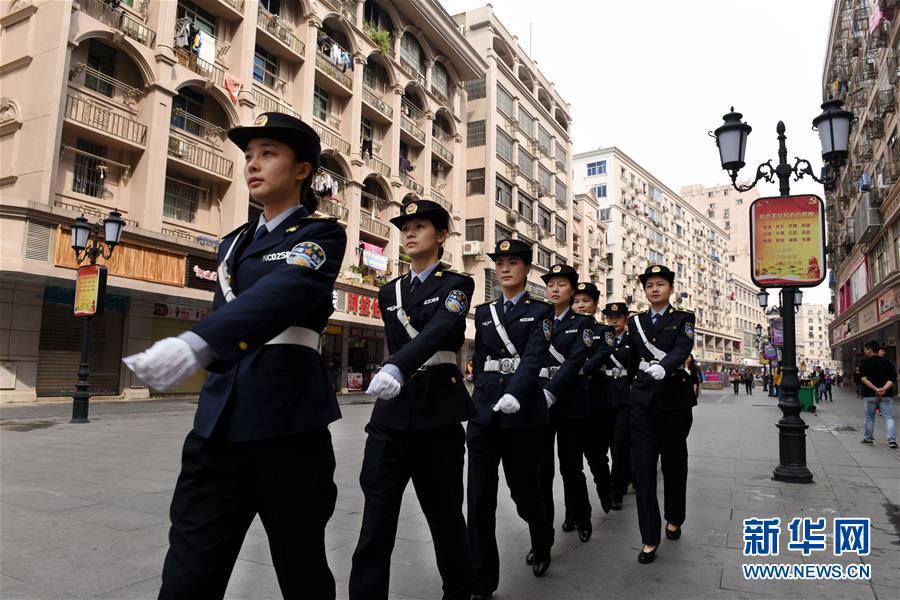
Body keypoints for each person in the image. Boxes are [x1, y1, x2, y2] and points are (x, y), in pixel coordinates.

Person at [124, 113, 346, 599]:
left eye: (268, 153)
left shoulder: (320, 236)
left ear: (302, 169)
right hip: (217, 429)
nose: (253, 165)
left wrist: (198, 342)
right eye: (248, 156)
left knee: (301, 570)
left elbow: (282, 294)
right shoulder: (232, 245)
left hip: (288, 428)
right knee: (187, 576)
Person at [349, 200, 475, 600]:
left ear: (440, 236)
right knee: (375, 521)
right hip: (391, 417)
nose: (408, 233)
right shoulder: (389, 292)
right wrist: (395, 371)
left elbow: (439, 331)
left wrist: (397, 366)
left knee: (445, 518)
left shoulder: (457, 285)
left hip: (437, 413)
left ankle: (458, 591)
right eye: (405, 227)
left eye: (419, 226)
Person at [467, 238, 555, 599]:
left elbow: (534, 358)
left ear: (527, 270)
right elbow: (484, 355)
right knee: (478, 498)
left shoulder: (542, 311)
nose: (504, 268)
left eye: (512, 263)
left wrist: (514, 393)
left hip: (522, 413)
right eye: (500, 262)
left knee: (523, 491)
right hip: (485, 411)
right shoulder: (485, 312)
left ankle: (542, 537)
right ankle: (482, 581)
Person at [626, 265, 696, 564]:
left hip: (674, 402)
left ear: (670, 288)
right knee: (642, 471)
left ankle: (675, 516)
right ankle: (649, 537)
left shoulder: (683, 319)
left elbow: (682, 349)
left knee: (674, 465)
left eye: (660, 284)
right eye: (649, 285)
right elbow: (630, 363)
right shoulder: (636, 322)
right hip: (642, 403)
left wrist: (664, 367)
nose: (654, 289)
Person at [538, 265, 596, 542]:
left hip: (570, 400)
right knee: (541, 470)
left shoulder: (583, 323)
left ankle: (581, 516)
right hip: (540, 401)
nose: (554, 289)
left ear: (572, 291)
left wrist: (552, 390)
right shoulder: (538, 319)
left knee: (571, 467)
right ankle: (543, 536)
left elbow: (575, 362)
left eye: (561, 284)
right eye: (550, 284)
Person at [578, 295, 631, 512]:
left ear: (625, 319)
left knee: (620, 448)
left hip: (624, 399)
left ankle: (616, 491)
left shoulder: (634, 340)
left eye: (618, 317)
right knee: (596, 449)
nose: (614, 321)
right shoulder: (598, 336)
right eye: (610, 317)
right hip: (599, 397)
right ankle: (607, 483)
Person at [858, 340, 897, 448]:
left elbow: (863, 379)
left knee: (869, 418)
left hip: (870, 395)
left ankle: (868, 438)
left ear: (869, 350)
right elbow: (892, 378)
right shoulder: (887, 362)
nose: (864, 351)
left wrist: (875, 389)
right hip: (886, 395)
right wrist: (883, 389)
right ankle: (892, 440)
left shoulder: (864, 363)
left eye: (865, 349)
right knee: (888, 417)